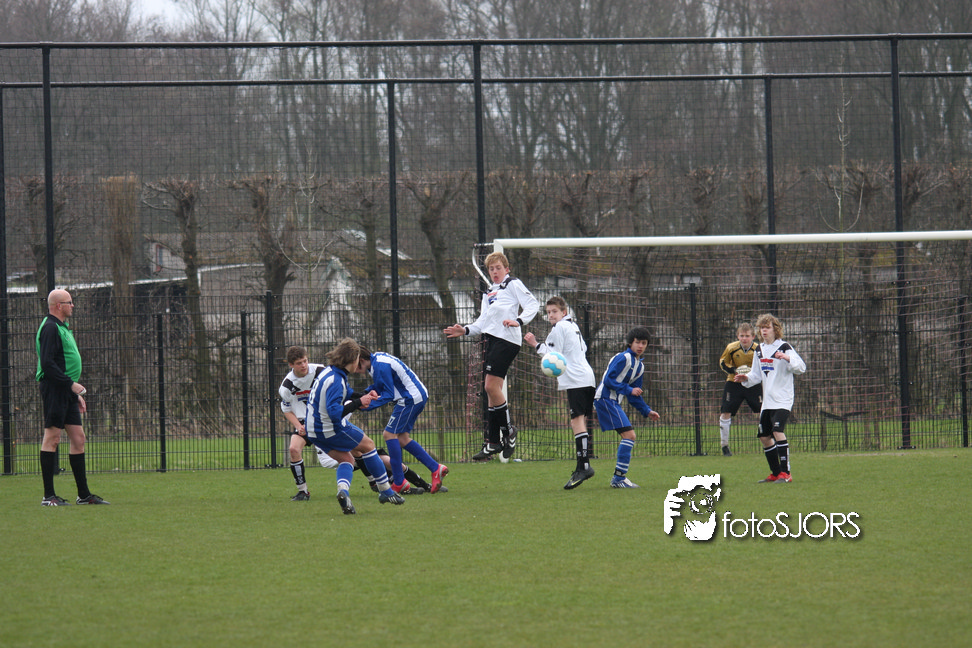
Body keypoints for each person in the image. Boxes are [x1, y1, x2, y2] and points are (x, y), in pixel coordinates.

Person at [443, 251, 539, 461]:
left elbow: (533, 304)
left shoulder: (512, 284)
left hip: (507, 341)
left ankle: (509, 431)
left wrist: (518, 321)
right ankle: (493, 441)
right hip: (492, 341)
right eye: (491, 269)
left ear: (507, 269)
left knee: (490, 387)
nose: (495, 272)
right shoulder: (489, 293)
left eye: (498, 268)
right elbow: (482, 322)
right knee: (491, 391)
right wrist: (465, 330)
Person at [305, 338, 405, 514]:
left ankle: (343, 492)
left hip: (313, 431)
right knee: (369, 445)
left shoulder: (331, 372)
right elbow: (335, 412)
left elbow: (346, 394)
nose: (359, 363)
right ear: (352, 360)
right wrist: (359, 402)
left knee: (347, 460)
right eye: (358, 358)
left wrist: (364, 395)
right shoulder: (336, 380)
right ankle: (385, 491)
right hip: (329, 428)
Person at [35, 289, 109, 506]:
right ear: (59, 305)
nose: (73, 305)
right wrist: (70, 385)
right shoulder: (50, 328)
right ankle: (48, 496)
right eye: (69, 302)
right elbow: (47, 364)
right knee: (52, 438)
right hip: (54, 389)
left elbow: (63, 362)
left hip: (65, 391)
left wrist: (73, 394)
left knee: (78, 439)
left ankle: (84, 495)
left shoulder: (62, 327)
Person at [524, 296, 598, 490]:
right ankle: (583, 466)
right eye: (548, 312)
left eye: (554, 311)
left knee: (576, 421)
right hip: (587, 377)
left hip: (576, 379)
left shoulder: (559, 328)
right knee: (579, 421)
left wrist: (534, 343)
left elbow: (552, 356)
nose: (551, 315)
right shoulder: (573, 326)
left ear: (564, 312)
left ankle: (584, 467)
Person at [357, 346, 449, 494]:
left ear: (361, 360)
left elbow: (387, 394)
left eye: (354, 364)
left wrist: (366, 406)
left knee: (389, 434)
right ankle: (435, 468)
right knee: (402, 438)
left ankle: (399, 482)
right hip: (416, 396)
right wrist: (363, 395)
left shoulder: (379, 366)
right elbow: (380, 386)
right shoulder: (377, 361)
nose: (354, 369)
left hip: (409, 399)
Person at [734, 313, 806, 483]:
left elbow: (801, 367)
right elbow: (756, 375)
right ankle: (775, 473)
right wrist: (746, 378)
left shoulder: (784, 347)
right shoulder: (759, 350)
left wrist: (787, 358)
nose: (764, 331)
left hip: (783, 399)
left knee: (777, 431)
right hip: (768, 401)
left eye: (767, 327)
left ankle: (786, 473)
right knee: (764, 437)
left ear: (775, 329)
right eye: (761, 328)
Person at [594, 326, 661, 488]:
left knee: (629, 436)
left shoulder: (640, 366)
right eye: (637, 342)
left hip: (612, 401)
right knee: (630, 435)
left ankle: (619, 479)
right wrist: (628, 389)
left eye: (644, 343)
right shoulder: (623, 358)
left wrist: (647, 411)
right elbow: (608, 380)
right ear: (630, 342)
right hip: (605, 398)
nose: (640, 346)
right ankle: (618, 479)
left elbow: (634, 394)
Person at [716, 323, 762, 456]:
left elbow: (762, 365)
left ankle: (769, 440)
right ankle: (724, 446)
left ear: (753, 336)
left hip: (753, 383)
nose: (744, 338)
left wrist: (751, 374)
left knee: (763, 411)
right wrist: (734, 371)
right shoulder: (731, 348)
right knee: (725, 411)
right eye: (742, 336)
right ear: (737, 336)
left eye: (747, 336)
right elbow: (723, 362)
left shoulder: (758, 349)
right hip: (734, 382)